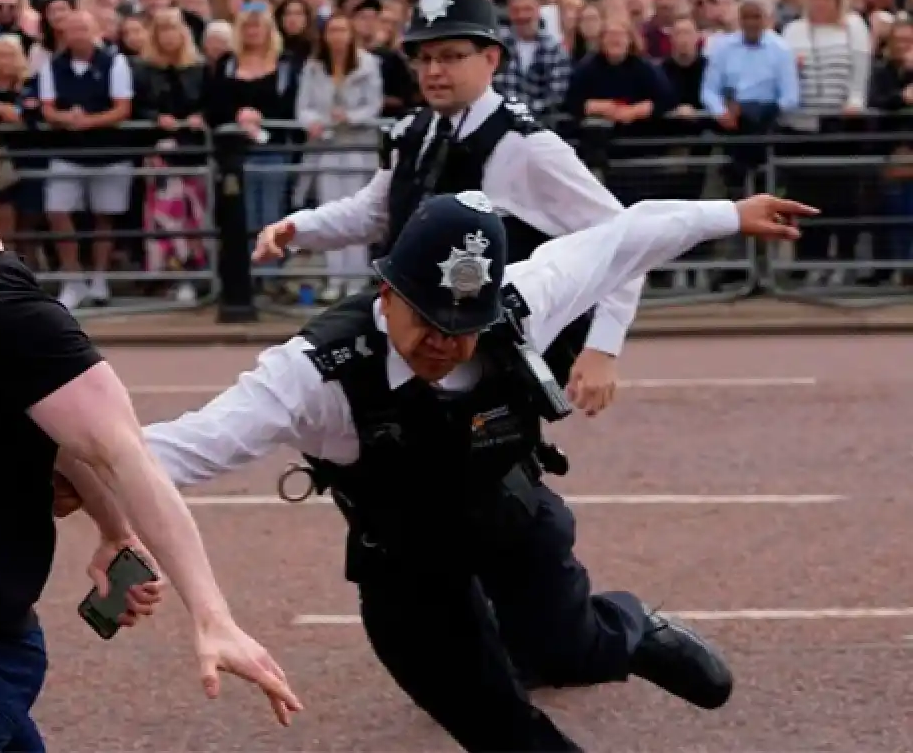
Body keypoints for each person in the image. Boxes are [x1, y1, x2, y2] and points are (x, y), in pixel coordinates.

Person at [58, 187, 817, 751]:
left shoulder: (522, 300)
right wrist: (67, 472)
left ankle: (634, 629)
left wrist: (730, 213)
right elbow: (190, 444)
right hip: (408, 572)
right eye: (428, 318)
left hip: (517, 528)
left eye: (466, 325)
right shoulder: (315, 374)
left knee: (569, 649)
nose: (446, 343)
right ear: (387, 293)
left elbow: (629, 234)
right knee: (500, 727)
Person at [0, 91, 301, 752]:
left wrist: (213, 616)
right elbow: (48, 436)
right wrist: (112, 530)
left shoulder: (9, 313)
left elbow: (121, 451)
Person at [253, 0, 638, 418]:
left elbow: (626, 237)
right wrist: (297, 228)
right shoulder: (413, 133)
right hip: (421, 342)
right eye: (425, 57)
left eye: (452, 56)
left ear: (491, 59)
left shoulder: (528, 146)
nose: (434, 71)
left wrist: (603, 348)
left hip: (489, 358)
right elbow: (373, 212)